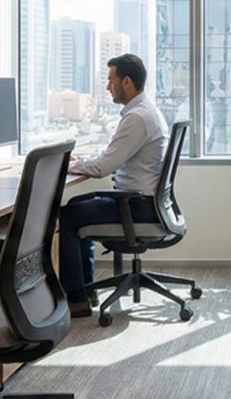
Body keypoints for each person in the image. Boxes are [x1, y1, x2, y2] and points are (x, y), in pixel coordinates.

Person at [59, 54, 168, 317]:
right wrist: (80, 161)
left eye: (111, 80)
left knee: (67, 217)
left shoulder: (137, 118)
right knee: (76, 206)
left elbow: (102, 168)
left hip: (137, 206)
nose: (108, 87)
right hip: (143, 201)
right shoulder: (144, 111)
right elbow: (111, 156)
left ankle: (76, 299)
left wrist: (66, 165)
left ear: (127, 82)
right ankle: (86, 289)